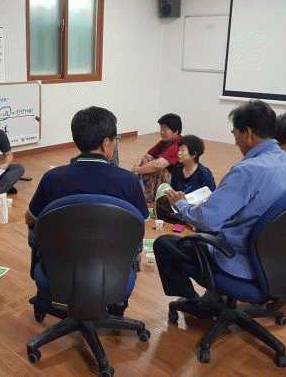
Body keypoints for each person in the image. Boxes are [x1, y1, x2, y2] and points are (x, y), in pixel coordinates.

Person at [153, 100, 286, 302]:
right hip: (280, 261)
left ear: (248, 133)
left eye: (235, 135)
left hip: (241, 262)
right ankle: (214, 298)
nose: (235, 142)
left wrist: (181, 205)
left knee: (164, 244)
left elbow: (207, 220)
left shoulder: (247, 171)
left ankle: (193, 301)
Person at [26, 106, 149, 315]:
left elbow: (31, 219)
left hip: (59, 277)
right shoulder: (128, 181)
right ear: (106, 143)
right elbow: (140, 224)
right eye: (115, 140)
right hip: (113, 278)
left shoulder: (53, 178)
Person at [155, 135, 216, 223]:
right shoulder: (177, 170)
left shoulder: (204, 174)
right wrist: (172, 195)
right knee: (161, 204)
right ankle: (185, 220)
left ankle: (185, 219)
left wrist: (187, 200)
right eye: (178, 150)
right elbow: (174, 190)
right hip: (178, 206)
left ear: (194, 154)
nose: (178, 153)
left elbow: (211, 199)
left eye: (183, 150)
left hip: (195, 208)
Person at [131, 113, 182, 202]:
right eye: (161, 128)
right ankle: (140, 192)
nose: (162, 132)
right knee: (147, 159)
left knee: (157, 167)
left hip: (176, 181)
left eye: (165, 129)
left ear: (176, 131)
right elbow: (147, 155)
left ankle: (149, 196)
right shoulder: (164, 142)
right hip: (164, 177)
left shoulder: (178, 144)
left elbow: (158, 165)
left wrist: (137, 170)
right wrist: (135, 168)